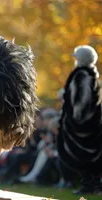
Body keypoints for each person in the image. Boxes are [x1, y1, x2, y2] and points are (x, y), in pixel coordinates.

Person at [57, 45, 102, 195]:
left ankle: (89, 187)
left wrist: (74, 121)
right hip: (92, 123)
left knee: (83, 156)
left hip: (81, 126)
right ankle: (92, 186)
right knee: (90, 157)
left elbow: (80, 103)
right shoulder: (92, 74)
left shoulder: (81, 75)